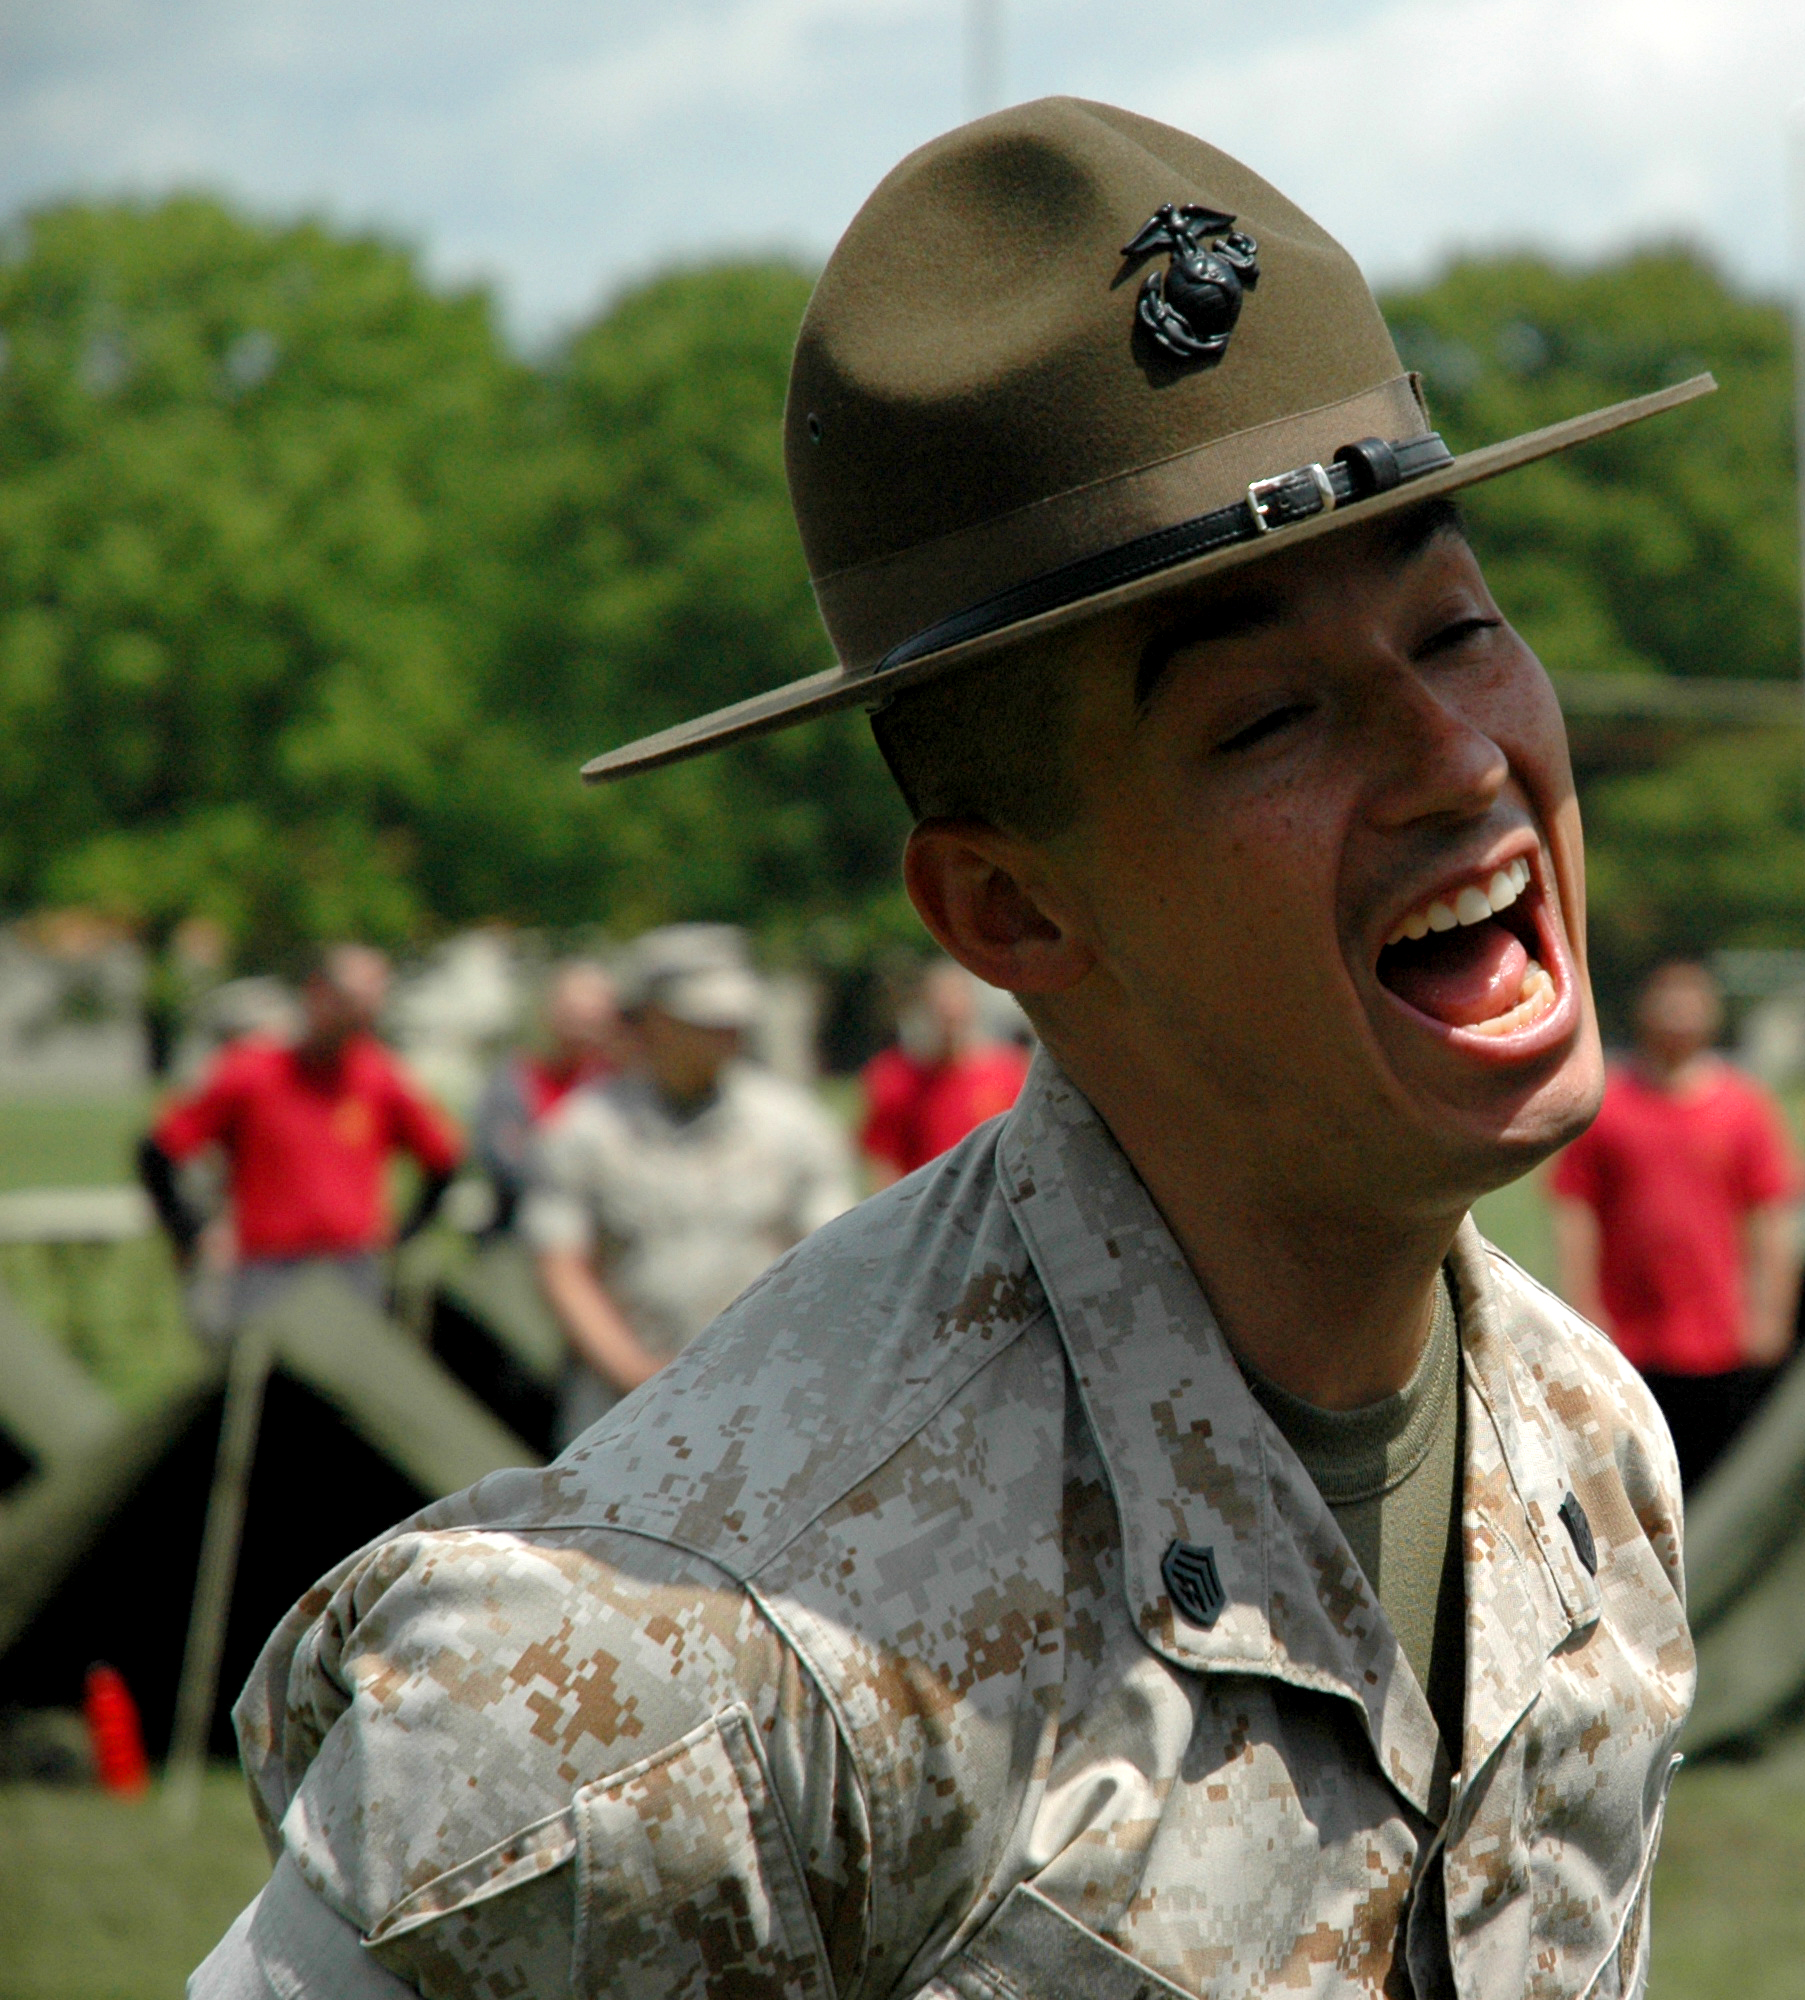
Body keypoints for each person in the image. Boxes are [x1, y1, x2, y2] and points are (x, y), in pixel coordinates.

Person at [200, 100, 1703, 2000]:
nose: (1456, 755)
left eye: (1460, 623)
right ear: (1008, 913)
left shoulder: (1581, 1457)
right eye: (1266, 721)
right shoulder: (684, 1680)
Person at [521, 925, 855, 1445]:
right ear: (650, 1018)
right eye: (701, 1017)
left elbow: (836, 1258)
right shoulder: (585, 1131)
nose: (726, 1029)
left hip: (765, 1402)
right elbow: (560, 1266)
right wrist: (640, 1376)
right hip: (618, 1414)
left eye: (732, 1016)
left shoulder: (792, 1125)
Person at [1550, 959, 1799, 1481]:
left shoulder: (1744, 1107)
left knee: (1718, 1477)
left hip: (1721, 1339)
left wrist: (1771, 1311)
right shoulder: (1606, 1105)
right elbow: (1576, 1211)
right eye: (1667, 997)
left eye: (1692, 1000)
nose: (1679, 1012)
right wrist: (1582, 1307)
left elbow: (1771, 1217)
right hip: (1628, 1339)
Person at [137, 942, 458, 1334]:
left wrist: (405, 1234)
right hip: (268, 1268)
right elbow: (158, 1149)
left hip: (352, 1266)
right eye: (349, 1000)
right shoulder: (251, 1072)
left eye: (371, 1004)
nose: (359, 1016)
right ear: (317, 992)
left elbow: (444, 1157)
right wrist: (190, 1232)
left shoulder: (379, 1076)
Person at [463, 957, 617, 1236]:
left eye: (592, 1021)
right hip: (519, 1232)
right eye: (572, 1017)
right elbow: (502, 1159)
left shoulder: (623, 1084)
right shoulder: (512, 1081)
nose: (581, 1032)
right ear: (550, 1014)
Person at [856, 958, 1030, 1186]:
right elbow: (882, 1159)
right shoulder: (895, 1077)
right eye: (940, 998)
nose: (948, 1008)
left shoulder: (1008, 1071)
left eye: (957, 996)